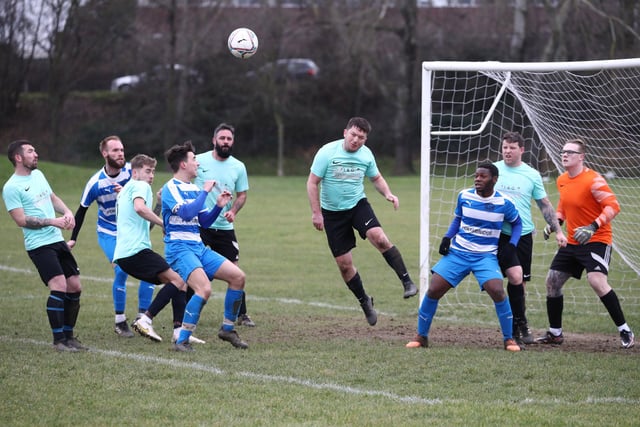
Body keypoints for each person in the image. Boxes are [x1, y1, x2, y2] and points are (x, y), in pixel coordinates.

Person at [306, 117, 417, 326]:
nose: (356, 140)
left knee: (380, 238)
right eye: (354, 135)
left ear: (365, 140)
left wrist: (388, 194)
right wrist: (316, 213)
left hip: (357, 205)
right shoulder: (327, 153)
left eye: (361, 137)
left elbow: (376, 178)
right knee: (345, 266)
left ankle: (407, 281)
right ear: (345, 132)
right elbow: (312, 183)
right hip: (332, 214)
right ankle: (364, 301)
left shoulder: (366, 155)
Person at [406, 161, 523, 352]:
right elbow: (459, 218)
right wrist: (447, 237)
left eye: (482, 176)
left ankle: (509, 339)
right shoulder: (464, 195)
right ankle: (421, 336)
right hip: (458, 253)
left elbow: (518, 224)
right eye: (476, 175)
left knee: (498, 291)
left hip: (485, 256)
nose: (477, 179)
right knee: (434, 289)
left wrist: (512, 245)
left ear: (494, 179)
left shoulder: (504, 202)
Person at [536, 139, 634, 349]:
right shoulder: (562, 179)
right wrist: (555, 224)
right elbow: (563, 206)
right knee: (552, 281)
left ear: (581, 157)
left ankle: (624, 329)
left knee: (596, 281)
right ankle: (555, 333)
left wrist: (592, 226)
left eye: (570, 152)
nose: (564, 155)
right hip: (572, 242)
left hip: (596, 240)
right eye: (563, 151)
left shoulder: (593, 180)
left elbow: (613, 206)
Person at [162, 141, 248, 352]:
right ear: (183, 165)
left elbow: (204, 222)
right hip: (179, 248)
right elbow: (186, 213)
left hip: (197, 247)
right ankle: (181, 340)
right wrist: (205, 192)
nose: (197, 163)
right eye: (193, 160)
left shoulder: (193, 188)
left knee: (238, 277)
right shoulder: (170, 188)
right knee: (204, 289)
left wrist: (218, 205)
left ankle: (227, 329)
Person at [3, 140, 87, 352]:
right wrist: (53, 221)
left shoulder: (38, 176)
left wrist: (67, 213)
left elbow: (52, 197)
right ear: (18, 158)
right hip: (39, 245)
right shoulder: (11, 187)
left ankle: (69, 336)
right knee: (59, 285)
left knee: (75, 286)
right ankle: (58, 341)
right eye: (31, 151)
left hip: (56, 239)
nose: (36, 154)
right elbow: (21, 220)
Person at [67, 135, 155, 338]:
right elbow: (81, 211)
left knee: (152, 271)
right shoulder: (95, 183)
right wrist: (74, 238)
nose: (120, 153)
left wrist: (126, 192)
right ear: (104, 153)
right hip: (108, 232)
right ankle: (120, 321)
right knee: (122, 270)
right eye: (115, 150)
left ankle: (142, 318)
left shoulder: (131, 172)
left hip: (131, 231)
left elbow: (142, 190)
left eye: (122, 150)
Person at [112, 154, 204, 345]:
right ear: (135, 172)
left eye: (153, 171)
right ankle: (145, 319)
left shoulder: (125, 190)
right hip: (136, 251)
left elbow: (144, 220)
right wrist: (165, 224)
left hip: (125, 254)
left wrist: (159, 204)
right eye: (147, 171)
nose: (151, 176)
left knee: (181, 282)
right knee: (178, 280)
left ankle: (179, 331)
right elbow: (139, 208)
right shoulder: (140, 185)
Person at [494, 131, 566, 345]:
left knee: (520, 281)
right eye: (505, 147)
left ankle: (519, 325)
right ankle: (513, 323)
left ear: (521, 150)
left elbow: (544, 204)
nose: (507, 151)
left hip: (522, 235)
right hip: (495, 234)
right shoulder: (494, 170)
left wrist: (559, 231)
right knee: (494, 282)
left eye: (512, 147)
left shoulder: (532, 174)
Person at [194, 123, 254, 327]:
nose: (226, 142)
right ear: (214, 140)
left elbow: (242, 194)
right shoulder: (198, 161)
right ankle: (188, 311)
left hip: (224, 228)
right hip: (200, 225)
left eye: (229, 139)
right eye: (222, 138)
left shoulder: (238, 166)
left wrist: (233, 211)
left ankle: (241, 314)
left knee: (235, 271)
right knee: (194, 269)